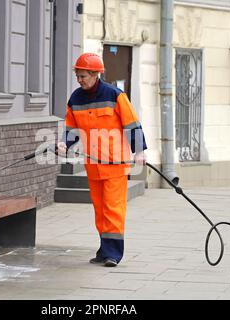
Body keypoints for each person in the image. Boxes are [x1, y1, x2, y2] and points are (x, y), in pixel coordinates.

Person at [57, 52, 147, 267]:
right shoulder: (76, 98)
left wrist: (140, 151)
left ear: (96, 74)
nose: (79, 80)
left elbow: (131, 124)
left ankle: (114, 253)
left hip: (116, 164)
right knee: (100, 209)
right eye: (78, 76)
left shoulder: (115, 95)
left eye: (83, 76)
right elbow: (71, 129)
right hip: (93, 164)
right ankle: (104, 248)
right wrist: (64, 143)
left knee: (113, 207)